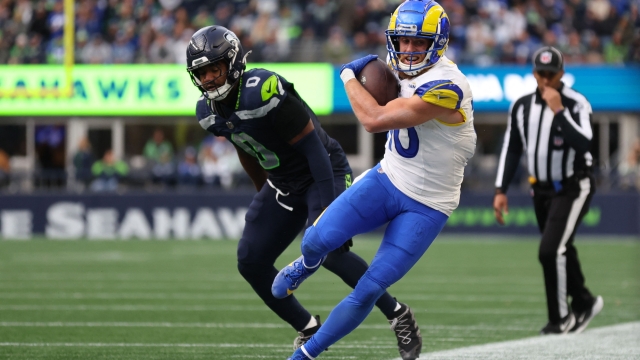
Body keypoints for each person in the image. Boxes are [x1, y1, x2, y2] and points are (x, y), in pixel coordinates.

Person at [185, 25, 420, 357]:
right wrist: (261, 189)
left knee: (331, 252)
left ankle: (398, 315)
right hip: (282, 183)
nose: (208, 78)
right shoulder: (206, 113)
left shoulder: (263, 89)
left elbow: (315, 151)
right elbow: (243, 144)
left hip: (322, 171)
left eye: (214, 69)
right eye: (202, 72)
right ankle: (308, 327)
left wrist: (329, 214)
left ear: (234, 63)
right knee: (251, 261)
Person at [272, 1, 477, 359]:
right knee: (316, 240)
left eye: (419, 43)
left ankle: (306, 354)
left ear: (438, 42)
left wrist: (349, 75)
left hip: (427, 206)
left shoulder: (448, 86)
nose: (409, 50)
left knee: (368, 289)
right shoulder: (394, 71)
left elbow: (373, 119)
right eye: (403, 41)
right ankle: (306, 264)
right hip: (388, 178)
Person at [493, 46, 603, 335]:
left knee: (550, 250)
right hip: (539, 190)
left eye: (550, 74)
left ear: (561, 74)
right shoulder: (521, 106)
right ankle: (585, 302)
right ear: (533, 73)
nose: (545, 80)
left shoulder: (577, 103)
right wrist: (500, 189)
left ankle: (561, 320)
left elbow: (584, 143)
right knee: (560, 248)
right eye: (540, 74)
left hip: (572, 185)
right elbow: (512, 147)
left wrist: (558, 110)